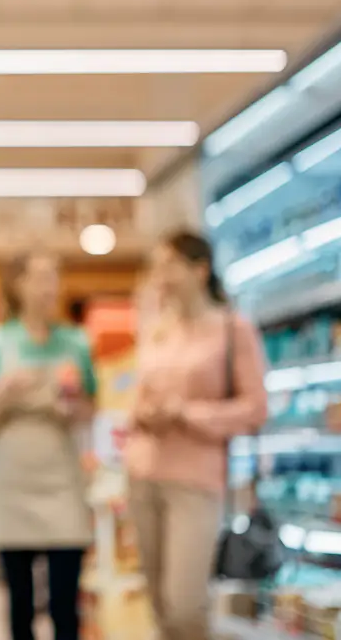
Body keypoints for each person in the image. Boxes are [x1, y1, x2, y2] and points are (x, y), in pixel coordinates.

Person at [127, 231, 268, 640]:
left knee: (185, 603)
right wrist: (144, 413)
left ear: (200, 270)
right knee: (159, 603)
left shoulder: (233, 330)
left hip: (196, 479)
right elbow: (138, 396)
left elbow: (255, 408)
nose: (161, 277)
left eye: (170, 266)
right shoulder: (158, 329)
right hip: (143, 473)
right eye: (156, 268)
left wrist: (187, 413)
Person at [0, 253, 97, 640]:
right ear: (17, 285)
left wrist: (69, 406)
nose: (49, 288)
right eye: (40, 278)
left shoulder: (76, 342)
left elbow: (91, 411)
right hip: (13, 483)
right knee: (19, 604)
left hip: (62, 479)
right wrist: (3, 393)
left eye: (54, 278)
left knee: (65, 606)